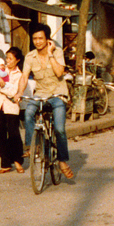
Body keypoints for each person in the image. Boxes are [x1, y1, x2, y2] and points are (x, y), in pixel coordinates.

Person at [17, 23, 74, 179]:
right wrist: (19, 93)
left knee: (60, 129)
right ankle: (32, 146)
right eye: (35, 38)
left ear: (47, 39)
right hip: (41, 94)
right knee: (28, 112)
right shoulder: (30, 56)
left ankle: (62, 160)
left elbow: (59, 72)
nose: (38, 41)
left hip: (58, 95)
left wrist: (50, 54)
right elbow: (24, 77)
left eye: (41, 38)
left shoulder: (57, 52)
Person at [0, 46, 25, 173]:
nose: (7, 61)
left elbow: (14, 91)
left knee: (14, 135)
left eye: (10, 58)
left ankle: (18, 161)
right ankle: (5, 163)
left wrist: (1, 88)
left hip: (11, 107)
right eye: (6, 58)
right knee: (0, 135)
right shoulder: (2, 69)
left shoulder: (20, 75)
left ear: (17, 60)